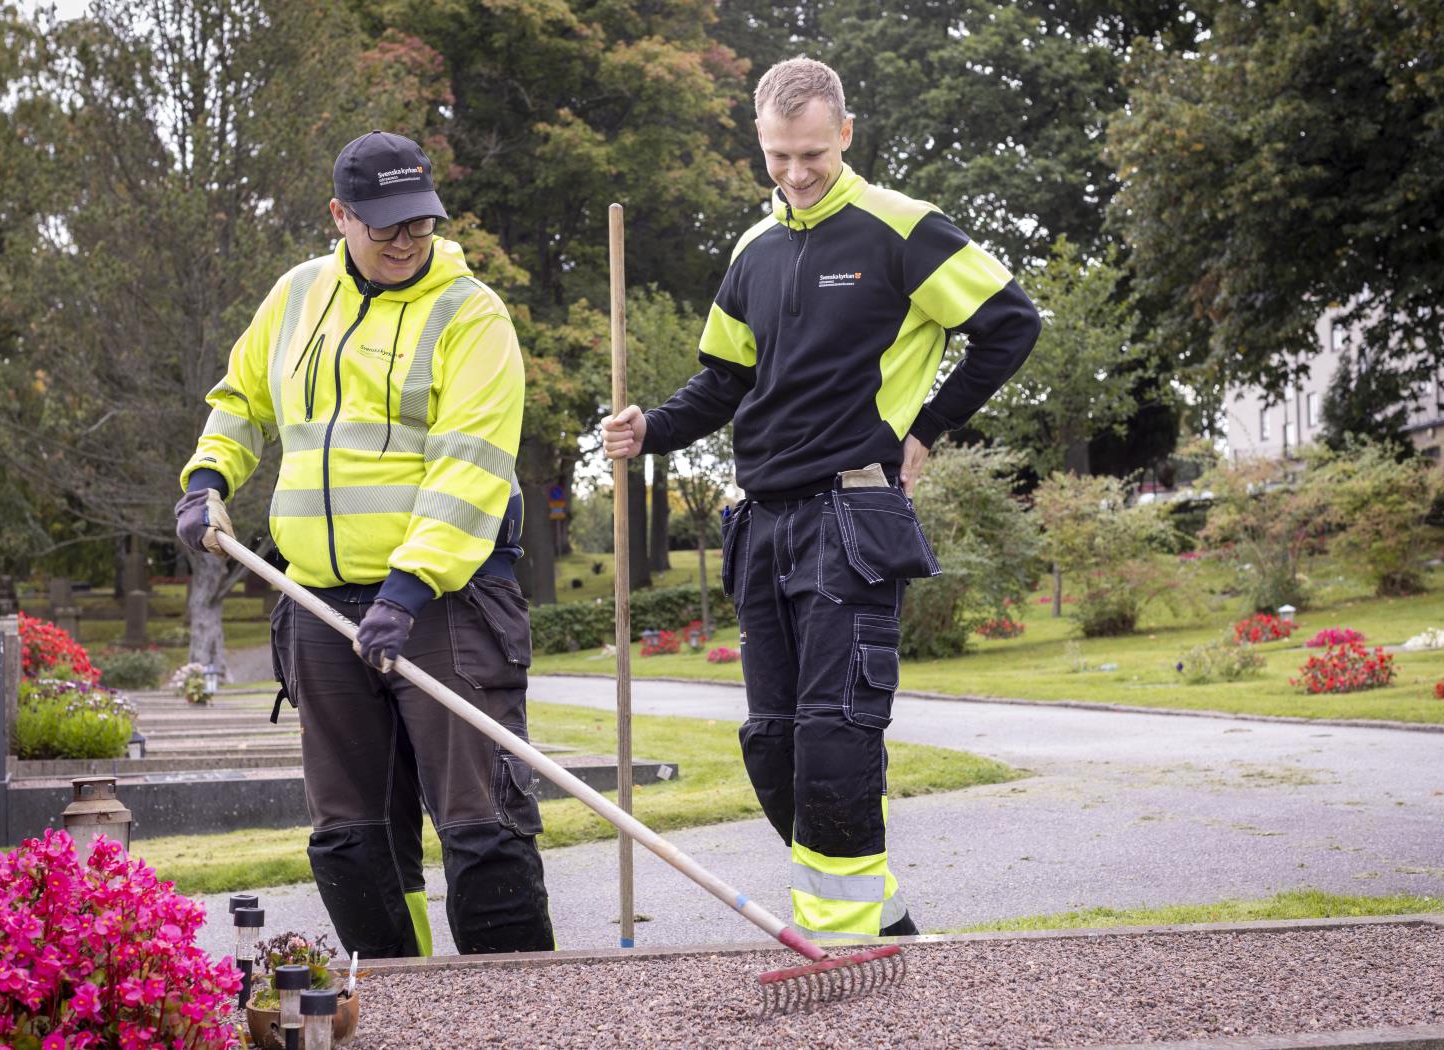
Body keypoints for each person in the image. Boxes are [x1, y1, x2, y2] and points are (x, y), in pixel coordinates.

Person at [603, 57, 1040, 941]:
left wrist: (926, 428)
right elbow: (722, 383)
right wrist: (650, 430)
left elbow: (1011, 323)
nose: (796, 175)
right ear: (759, 145)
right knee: (774, 747)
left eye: (811, 154)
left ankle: (839, 946)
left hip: (851, 519)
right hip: (760, 524)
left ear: (845, 134)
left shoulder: (902, 229)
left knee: (837, 739)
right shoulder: (751, 250)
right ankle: (882, 923)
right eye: (777, 158)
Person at [175, 131, 553, 958]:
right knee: (351, 835)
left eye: (419, 223)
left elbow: (471, 467)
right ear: (340, 216)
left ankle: (523, 1006)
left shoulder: (470, 313)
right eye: (384, 226)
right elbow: (241, 399)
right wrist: (206, 479)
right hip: (317, 603)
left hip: (445, 604)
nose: (405, 241)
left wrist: (407, 589)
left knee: (479, 822)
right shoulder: (296, 296)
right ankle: (400, 1000)